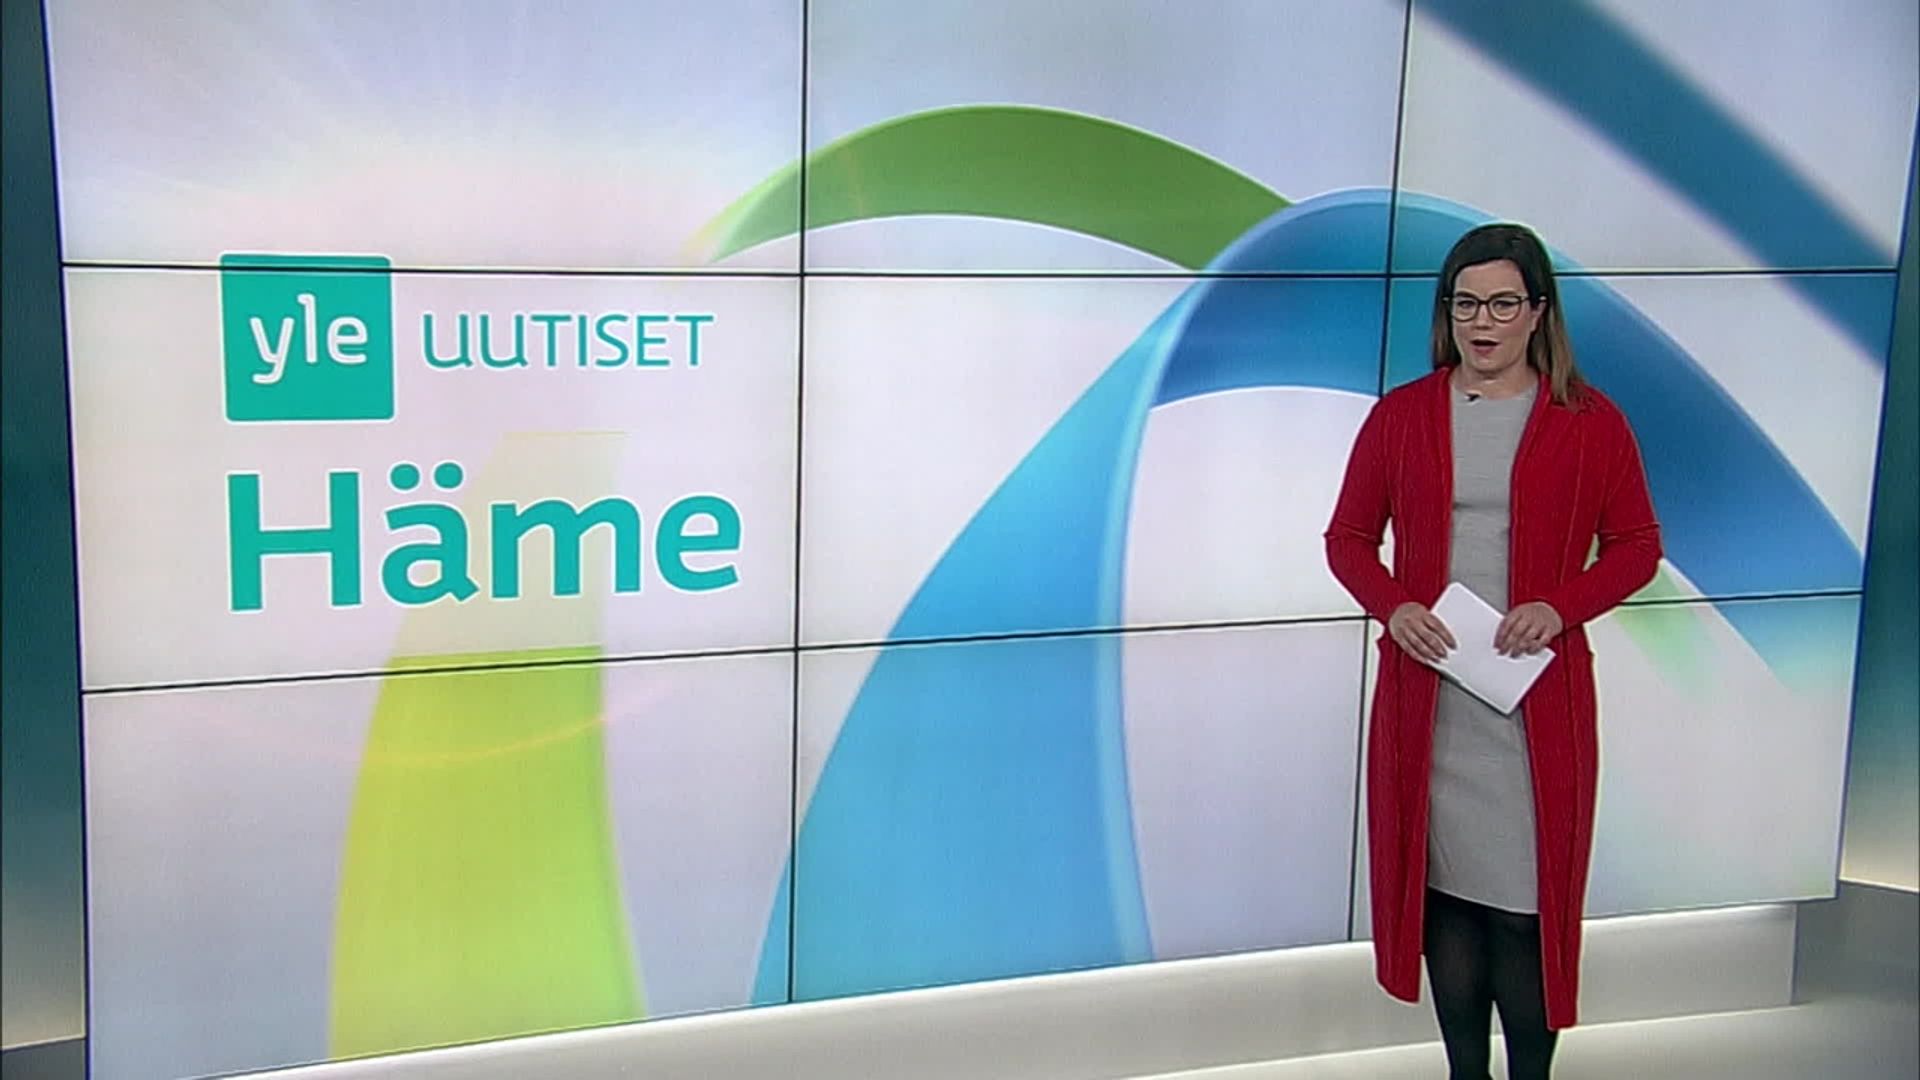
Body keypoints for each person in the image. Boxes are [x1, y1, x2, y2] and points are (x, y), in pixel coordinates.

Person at [1323, 223, 1662, 1079]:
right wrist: (1394, 606)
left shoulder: (1591, 422)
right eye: (1466, 304)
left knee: (1522, 912)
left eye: (1503, 304)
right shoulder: (1401, 416)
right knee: (1447, 904)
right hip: (1429, 706)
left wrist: (1560, 607)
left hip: (1533, 709)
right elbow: (1348, 540)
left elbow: (1636, 547)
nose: (1483, 322)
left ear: (1539, 311)